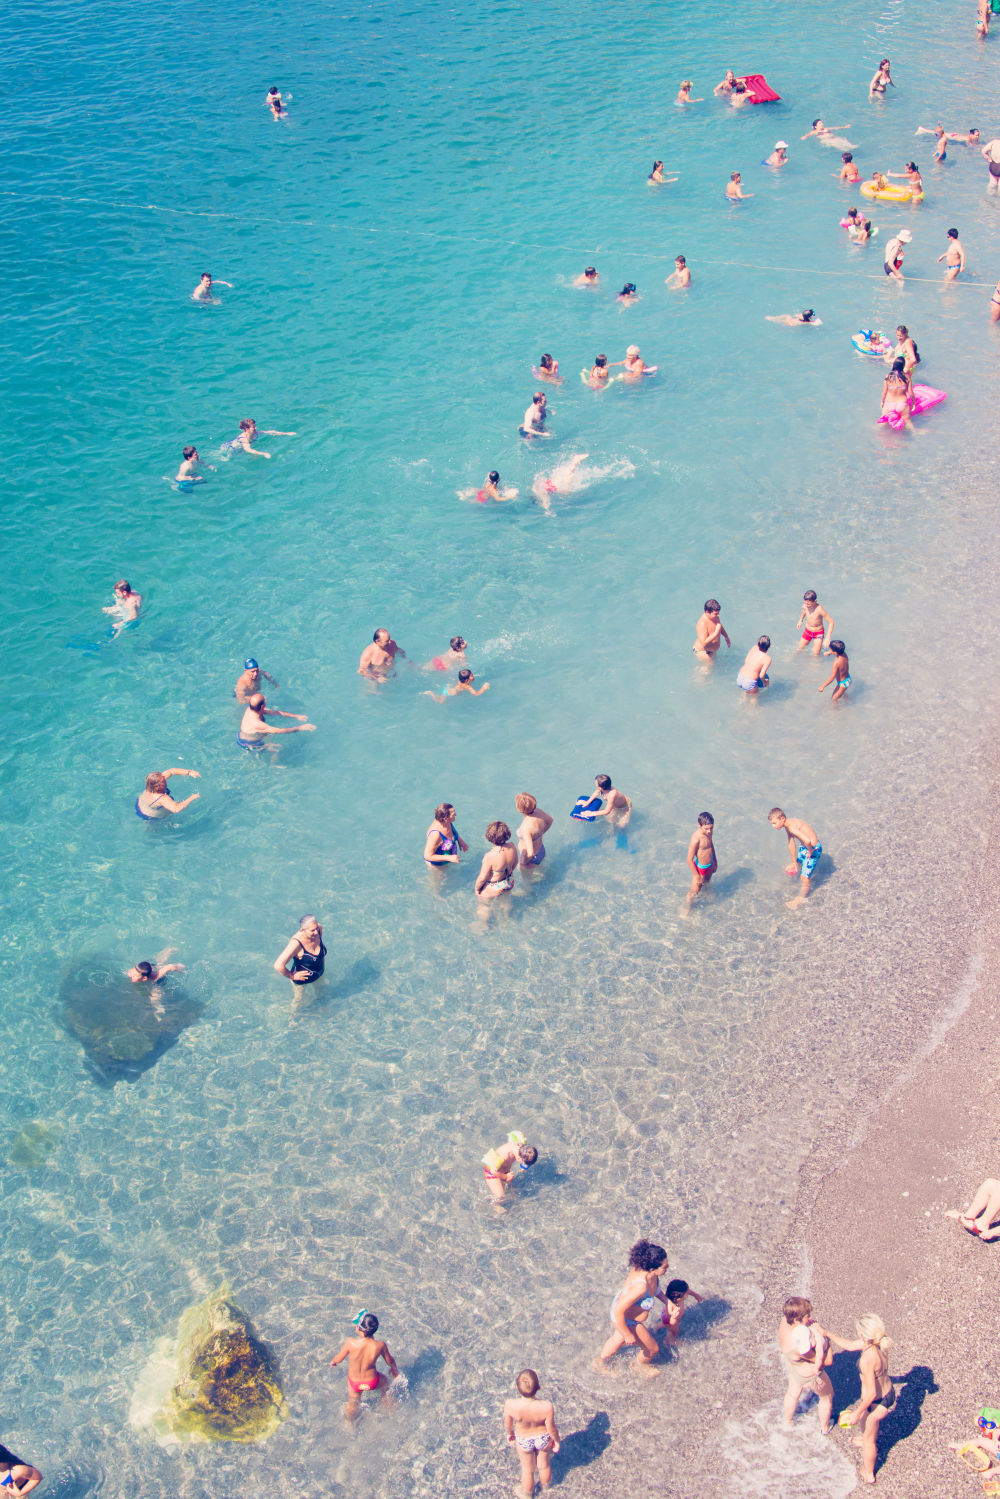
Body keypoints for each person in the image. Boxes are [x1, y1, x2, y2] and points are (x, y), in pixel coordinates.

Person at [829, 1314, 896, 1485]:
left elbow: (871, 1394)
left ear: (864, 1336)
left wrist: (857, 1413)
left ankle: (868, 1473)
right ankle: (864, 1436)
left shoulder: (867, 1358)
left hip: (876, 1401)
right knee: (866, 1427)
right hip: (887, 1393)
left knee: (869, 1441)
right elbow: (850, 1345)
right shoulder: (879, 1343)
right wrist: (827, 1333)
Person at [596, 1239, 671, 1375]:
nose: (668, 1267)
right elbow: (618, 1310)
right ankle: (637, 1365)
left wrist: (667, 1302)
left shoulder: (649, 1273)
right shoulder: (640, 1287)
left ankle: (599, 1362)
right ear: (652, 1269)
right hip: (626, 1319)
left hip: (626, 1311)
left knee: (617, 1340)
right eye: (665, 1267)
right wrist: (627, 1333)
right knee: (653, 1349)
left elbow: (655, 1289)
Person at [329, 1311, 400, 1422]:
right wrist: (395, 1371)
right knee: (385, 1385)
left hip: (355, 1383)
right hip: (372, 1381)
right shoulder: (380, 1345)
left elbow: (339, 1359)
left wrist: (333, 1362)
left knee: (352, 1403)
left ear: (360, 1330)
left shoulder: (350, 1343)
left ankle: (349, 1424)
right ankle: (390, 1410)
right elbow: (390, 1361)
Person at [778, 1296, 834, 1431]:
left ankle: (788, 1421)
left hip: (794, 1368)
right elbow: (827, 1361)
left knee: (792, 1393)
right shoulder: (800, 1349)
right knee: (827, 1396)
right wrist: (825, 1338)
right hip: (810, 1375)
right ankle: (825, 1427)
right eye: (807, 1316)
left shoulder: (785, 1322)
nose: (809, 1318)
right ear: (797, 1319)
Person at [504, 1370, 560, 1499]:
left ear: (517, 1388)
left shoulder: (510, 1405)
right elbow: (551, 1429)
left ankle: (527, 1494)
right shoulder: (546, 1406)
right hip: (543, 1438)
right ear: (538, 1387)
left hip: (524, 1439)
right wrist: (556, 1441)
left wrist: (509, 1433)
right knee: (544, 1465)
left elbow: (507, 1423)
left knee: (527, 1470)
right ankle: (546, 1489)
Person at [769, 808, 822, 902]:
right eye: (771, 824)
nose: (773, 826)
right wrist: (794, 862)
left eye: (774, 823)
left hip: (813, 849)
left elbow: (807, 840)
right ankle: (799, 865)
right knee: (796, 864)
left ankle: (799, 900)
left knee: (804, 878)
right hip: (805, 847)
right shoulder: (788, 824)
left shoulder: (791, 827)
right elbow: (791, 843)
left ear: (782, 819)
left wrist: (810, 852)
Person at [237, 694, 315, 751]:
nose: (266, 700)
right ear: (262, 706)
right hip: (249, 744)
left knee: (267, 736)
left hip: (246, 735)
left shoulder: (252, 709)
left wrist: (297, 716)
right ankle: (274, 766)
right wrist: (301, 727)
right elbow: (279, 731)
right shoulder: (257, 724)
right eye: (265, 700)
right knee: (278, 748)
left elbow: (277, 712)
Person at [273, 915, 326, 989]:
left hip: (319, 973)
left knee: (322, 994)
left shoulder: (319, 929)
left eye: (316, 928)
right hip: (301, 981)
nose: (316, 932)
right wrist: (292, 976)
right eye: (312, 930)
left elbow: (321, 954)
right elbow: (278, 965)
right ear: (302, 930)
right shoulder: (296, 943)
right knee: (299, 1000)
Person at [482, 1131, 538, 1201]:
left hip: (503, 1170)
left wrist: (524, 1167)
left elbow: (517, 1135)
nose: (524, 1166)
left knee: (511, 1190)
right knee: (500, 1196)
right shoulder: (502, 1156)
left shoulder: (521, 1147)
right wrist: (506, 1177)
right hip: (491, 1171)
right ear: (519, 1158)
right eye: (524, 1164)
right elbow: (492, 1171)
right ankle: (495, 1207)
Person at [474, 821, 517, 905]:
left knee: (484, 906)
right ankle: (506, 916)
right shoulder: (512, 846)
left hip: (495, 887)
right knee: (505, 902)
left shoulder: (489, 856)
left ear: (490, 837)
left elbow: (482, 878)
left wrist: (477, 889)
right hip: (509, 881)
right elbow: (515, 863)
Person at [135, 768, 201, 820]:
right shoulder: (162, 798)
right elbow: (176, 809)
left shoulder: (151, 785)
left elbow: (171, 771)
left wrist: (189, 772)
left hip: (140, 803)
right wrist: (192, 797)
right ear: (158, 786)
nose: (165, 779)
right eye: (163, 781)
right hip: (149, 815)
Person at [662, 1279, 705, 1348]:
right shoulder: (677, 1310)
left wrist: (695, 1295)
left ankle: (656, 1327)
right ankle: (668, 1341)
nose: (688, 1293)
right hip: (671, 1320)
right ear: (678, 1297)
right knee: (671, 1332)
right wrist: (675, 1331)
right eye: (686, 1293)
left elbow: (688, 1291)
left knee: (665, 1322)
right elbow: (673, 1324)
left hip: (665, 1314)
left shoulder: (673, 1299)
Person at [515, 793, 553, 869]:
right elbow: (551, 820)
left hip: (530, 858)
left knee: (526, 878)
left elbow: (530, 852)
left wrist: (523, 863)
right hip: (541, 850)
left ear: (519, 809)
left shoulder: (525, 828)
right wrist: (540, 833)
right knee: (541, 867)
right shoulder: (539, 812)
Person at [226, 417, 296, 459]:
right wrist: (264, 453)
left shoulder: (255, 433)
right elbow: (248, 449)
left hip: (242, 448)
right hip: (232, 449)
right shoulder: (244, 439)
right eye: (253, 427)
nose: (256, 428)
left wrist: (286, 433)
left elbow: (270, 432)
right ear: (247, 429)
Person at [686, 812, 717, 903]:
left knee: (707, 883)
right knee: (694, 892)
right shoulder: (696, 839)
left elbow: (711, 845)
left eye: (711, 828)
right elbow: (689, 859)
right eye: (706, 829)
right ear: (699, 825)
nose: (709, 831)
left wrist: (715, 861)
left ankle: (706, 897)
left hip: (710, 864)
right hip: (700, 869)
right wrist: (697, 876)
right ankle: (685, 910)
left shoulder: (709, 833)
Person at [880, 357, 914, 430]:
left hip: (889, 403)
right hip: (902, 404)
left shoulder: (888, 376)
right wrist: (914, 403)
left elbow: (884, 392)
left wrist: (882, 402)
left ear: (894, 365)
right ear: (903, 366)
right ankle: (915, 433)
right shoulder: (907, 377)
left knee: (883, 423)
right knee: (908, 422)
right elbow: (910, 393)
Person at [423, 666, 490, 701]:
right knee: (441, 701)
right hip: (449, 693)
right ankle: (430, 693)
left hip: (450, 689)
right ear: (467, 680)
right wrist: (483, 688)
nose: (473, 676)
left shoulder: (461, 680)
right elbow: (476, 694)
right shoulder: (467, 686)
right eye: (471, 676)